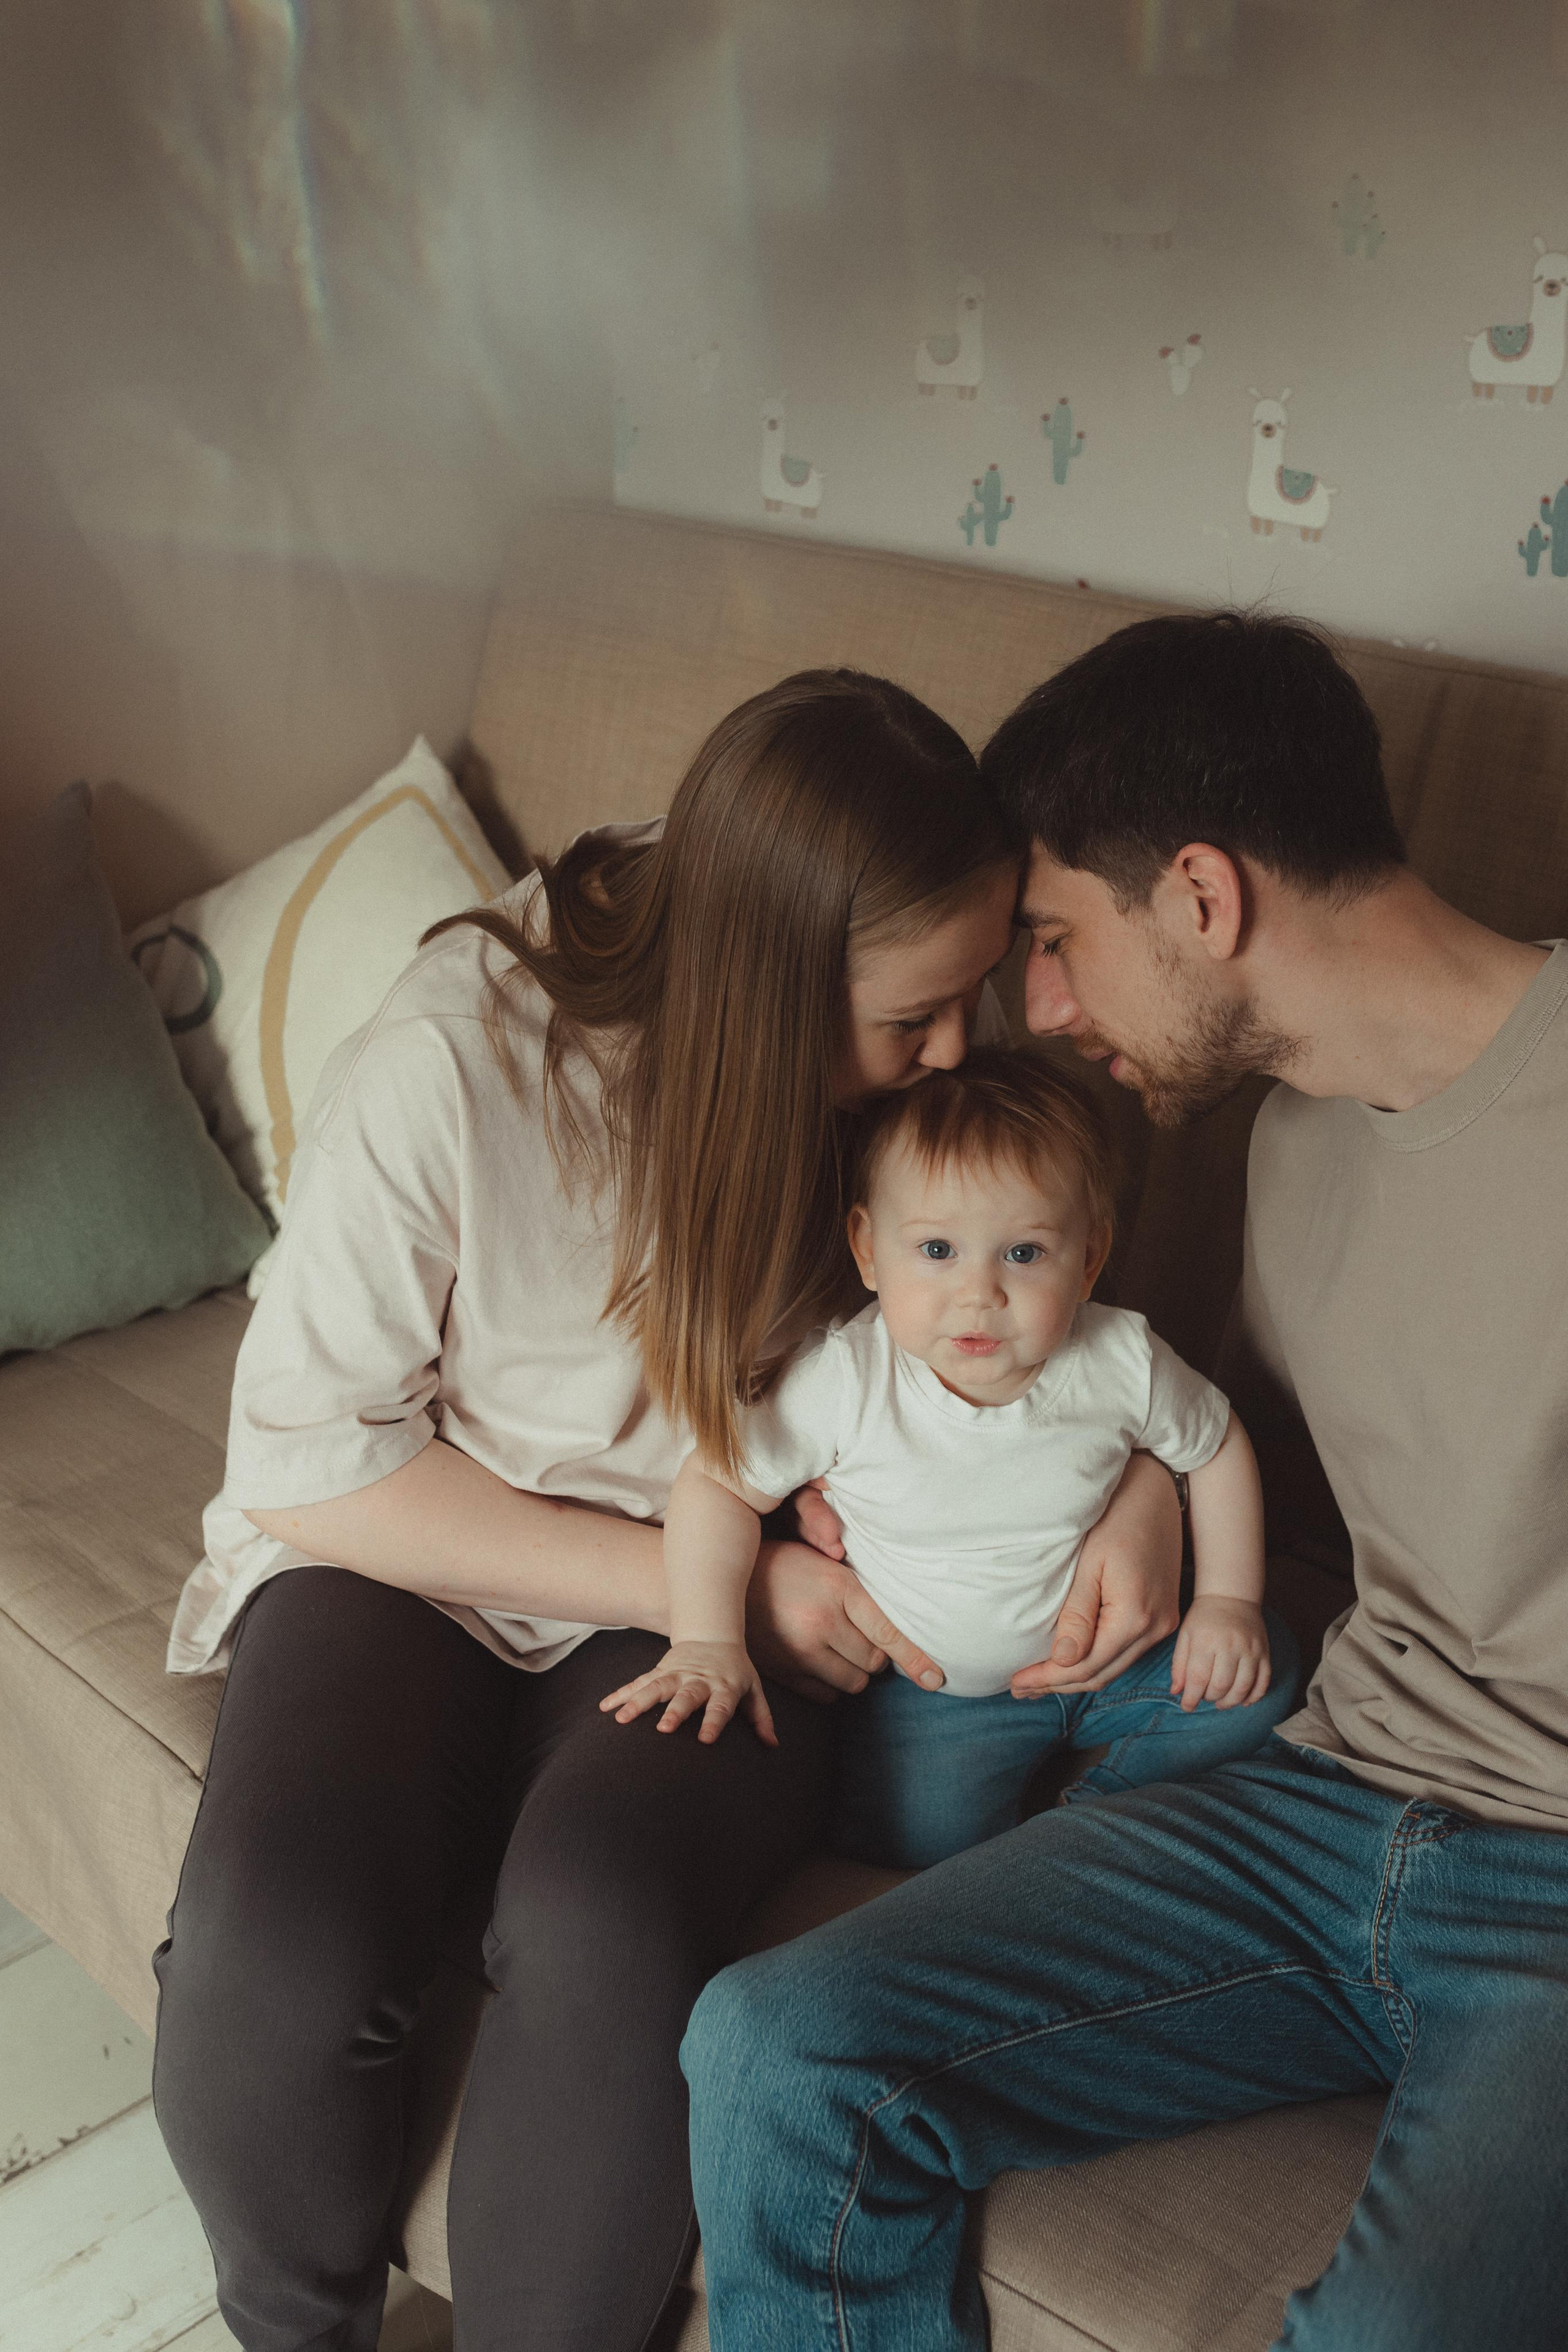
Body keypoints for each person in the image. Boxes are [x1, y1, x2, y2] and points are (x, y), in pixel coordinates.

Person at [149, 667, 1182, 2352]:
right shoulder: (458, 1062)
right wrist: (723, 1588)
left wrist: (1140, 1481)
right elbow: (307, 1458)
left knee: (601, 1916)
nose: (955, 1057)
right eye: (913, 1016)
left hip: (727, 1591)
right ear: (766, 980)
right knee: (276, 1935)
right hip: (429, 1542)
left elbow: (1050, 1308)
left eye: (976, 998)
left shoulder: (902, 1090)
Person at [682, 612, 1568, 2351]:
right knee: (775, 2049)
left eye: (1055, 941)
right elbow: (1206, 1425)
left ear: (1202, 897)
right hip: (1329, 1798)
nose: (1038, 1010)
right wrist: (1141, 1505)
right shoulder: (1292, 1144)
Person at [603, 1047, 1297, 1869]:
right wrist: (708, 1640)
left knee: (1265, 1681)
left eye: (1025, 1254)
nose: (980, 1293)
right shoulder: (847, 1380)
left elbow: (1215, 1445)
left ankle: (1090, 1823)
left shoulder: (1121, 1359)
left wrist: (1226, 1601)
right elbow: (717, 1486)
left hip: (1114, 1665)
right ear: (868, 1250)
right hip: (941, 1698)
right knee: (919, 1840)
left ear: (1090, 1259)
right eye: (937, 1251)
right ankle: (1016, 1852)